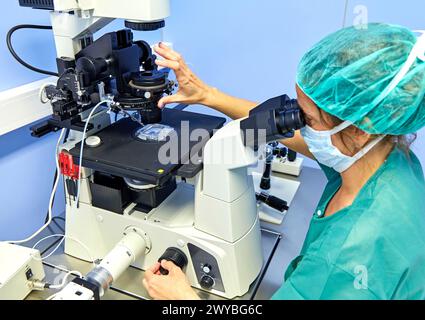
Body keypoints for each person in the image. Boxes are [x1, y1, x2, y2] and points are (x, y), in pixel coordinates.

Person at [142, 23, 425, 300]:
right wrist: (208, 95)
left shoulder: (344, 260)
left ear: (358, 131)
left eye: (308, 119)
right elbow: (290, 131)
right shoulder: (390, 158)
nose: (299, 124)